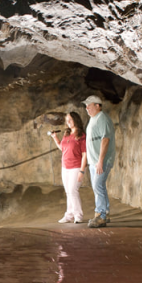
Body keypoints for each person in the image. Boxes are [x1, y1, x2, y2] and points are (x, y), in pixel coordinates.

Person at [48, 112, 87, 223]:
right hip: (65, 167)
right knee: (68, 192)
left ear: (76, 119)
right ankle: (69, 215)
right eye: (67, 120)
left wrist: (82, 171)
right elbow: (63, 148)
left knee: (72, 190)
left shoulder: (81, 135)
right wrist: (55, 138)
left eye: (70, 119)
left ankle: (78, 215)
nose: (68, 122)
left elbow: (85, 154)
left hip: (76, 167)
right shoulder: (67, 133)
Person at [83, 95, 115, 228]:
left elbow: (105, 139)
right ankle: (105, 212)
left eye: (89, 105)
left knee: (97, 186)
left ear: (97, 105)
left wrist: (100, 161)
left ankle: (100, 215)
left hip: (101, 161)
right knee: (99, 186)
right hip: (94, 161)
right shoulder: (93, 119)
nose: (87, 108)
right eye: (86, 106)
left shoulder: (102, 118)